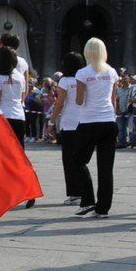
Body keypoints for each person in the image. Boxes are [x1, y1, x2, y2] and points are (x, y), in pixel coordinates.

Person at [69, 37, 119, 219]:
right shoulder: (112, 72)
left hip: (89, 122)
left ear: (87, 52)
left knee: (78, 161)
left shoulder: (82, 73)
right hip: (108, 121)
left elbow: (79, 100)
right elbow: (114, 101)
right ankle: (103, 208)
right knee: (106, 168)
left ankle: (88, 199)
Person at [0, 45, 36, 209]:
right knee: (19, 157)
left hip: (4, 118)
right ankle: (29, 189)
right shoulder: (19, 76)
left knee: (2, 157)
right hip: (19, 117)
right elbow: (22, 96)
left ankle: (3, 193)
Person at [49, 53, 85, 204]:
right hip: (83, 121)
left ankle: (75, 193)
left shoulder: (65, 80)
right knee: (81, 159)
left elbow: (60, 102)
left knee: (69, 159)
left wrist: (52, 122)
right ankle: (84, 190)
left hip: (69, 122)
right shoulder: (83, 78)